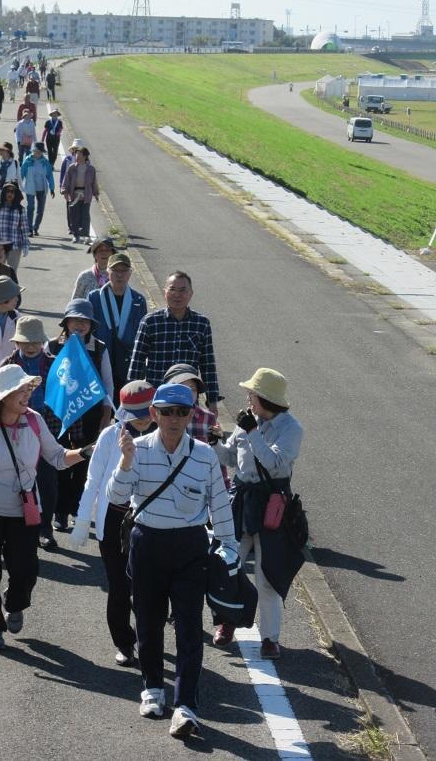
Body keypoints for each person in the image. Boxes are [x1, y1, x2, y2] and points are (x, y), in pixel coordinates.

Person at [106, 383, 237, 739]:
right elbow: (117, 497)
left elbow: (220, 503)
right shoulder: (137, 447)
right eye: (166, 411)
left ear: (191, 415)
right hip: (147, 542)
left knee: (190, 627)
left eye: (181, 412)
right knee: (147, 622)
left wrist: (230, 548)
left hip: (190, 546)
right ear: (154, 414)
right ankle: (152, 688)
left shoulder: (204, 455)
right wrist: (126, 461)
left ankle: (186, 706)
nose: (173, 419)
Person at [0, 365, 90, 650]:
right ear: (4, 395)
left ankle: (14, 603)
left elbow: (58, 458)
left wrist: (86, 452)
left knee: (25, 570)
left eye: (28, 389)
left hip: (23, 511)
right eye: (21, 390)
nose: (27, 395)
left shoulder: (35, 421)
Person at [212, 368, 304, 660]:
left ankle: (269, 638)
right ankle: (226, 623)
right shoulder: (246, 422)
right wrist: (215, 442)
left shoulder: (291, 428)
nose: (247, 399)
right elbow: (230, 458)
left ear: (264, 398)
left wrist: (252, 432)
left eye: (251, 394)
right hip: (241, 499)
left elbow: (275, 463)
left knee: (267, 574)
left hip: (272, 504)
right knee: (229, 566)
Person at [70, 381, 156, 666]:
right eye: (136, 413)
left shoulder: (163, 434)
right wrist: (83, 521)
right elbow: (93, 480)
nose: (143, 418)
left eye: (147, 411)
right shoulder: (110, 436)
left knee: (146, 588)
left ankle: (148, 640)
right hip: (114, 522)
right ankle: (124, 642)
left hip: (151, 522)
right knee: (119, 586)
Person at [48, 299, 114, 532]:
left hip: (91, 416)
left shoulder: (100, 348)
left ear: (91, 324)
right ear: (66, 322)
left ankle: (77, 508)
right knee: (61, 463)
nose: (79, 324)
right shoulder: (52, 347)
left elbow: (108, 386)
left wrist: (106, 420)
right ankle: (59, 512)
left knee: (85, 464)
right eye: (75, 319)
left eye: (84, 321)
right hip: (58, 416)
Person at [0, 317, 58, 550]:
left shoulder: (55, 364)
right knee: (15, 478)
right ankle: (17, 525)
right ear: (17, 343)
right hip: (15, 427)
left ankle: (46, 528)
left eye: (35, 341)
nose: (31, 346)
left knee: (48, 480)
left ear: (42, 342)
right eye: (26, 342)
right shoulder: (8, 364)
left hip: (47, 426)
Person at [128, 271, 220, 412]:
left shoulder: (202, 324)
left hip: (188, 398)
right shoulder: (150, 322)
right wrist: (132, 396)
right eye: (172, 289)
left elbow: (208, 365)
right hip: (157, 397)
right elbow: (136, 363)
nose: (177, 294)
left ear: (191, 293)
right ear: (165, 292)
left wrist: (212, 400)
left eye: (183, 290)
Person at [89, 252, 147, 404]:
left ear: (130, 274)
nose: (119, 275)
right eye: (115, 270)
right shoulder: (94, 297)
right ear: (107, 272)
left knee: (125, 408)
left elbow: (143, 336)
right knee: (100, 408)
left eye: (124, 271)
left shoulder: (139, 300)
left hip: (127, 363)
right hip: (100, 360)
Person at [0, 182, 30, 271]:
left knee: (11, 274)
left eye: (12, 192)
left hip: (15, 246)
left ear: (16, 194)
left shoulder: (20, 210)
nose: (10, 194)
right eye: (7, 191)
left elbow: (24, 229)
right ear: (4, 192)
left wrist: (26, 245)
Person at [63, 146, 99, 244]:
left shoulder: (91, 169)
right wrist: (65, 191)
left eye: (79, 155)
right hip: (74, 194)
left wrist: (96, 193)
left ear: (85, 156)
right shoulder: (72, 168)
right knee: (74, 215)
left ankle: (86, 236)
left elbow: (94, 183)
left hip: (86, 195)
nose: (77, 157)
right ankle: (76, 236)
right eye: (76, 154)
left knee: (85, 215)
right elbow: (66, 180)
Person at [20, 141, 55, 237]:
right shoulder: (27, 161)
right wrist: (18, 186)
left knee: (40, 210)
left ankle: (36, 228)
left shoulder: (45, 162)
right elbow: (21, 173)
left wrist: (52, 188)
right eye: (36, 151)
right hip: (30, 187)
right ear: (33, 150)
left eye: (40, 152)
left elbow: (50, 176)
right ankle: (29, 229)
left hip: (42, 188)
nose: (38, 153)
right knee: (30, 207)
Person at [59, 138, 83, 232]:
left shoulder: (86, 161)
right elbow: (62, 173)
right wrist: (62, 187)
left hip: (81, 188)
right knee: (70, 206)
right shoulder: (68, 159)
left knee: (80, 207)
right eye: (75, 149)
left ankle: (79, 225)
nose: (76, 151)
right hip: (69, 187)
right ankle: (71, 226)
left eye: (78, 149)